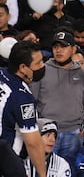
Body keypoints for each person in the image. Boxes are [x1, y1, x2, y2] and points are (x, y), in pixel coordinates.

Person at [30, 30, 84, 174]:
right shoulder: (41, 71)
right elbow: (31, 102)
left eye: (63, 46)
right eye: (55, 47)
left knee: (71, 172)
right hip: (46, 133)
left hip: (73, 133)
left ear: (73, 49)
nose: (58, 50)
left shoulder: (83, 74)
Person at [0, 41, 46, 177]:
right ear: (22, 67)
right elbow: (33, 143)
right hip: (7, 165)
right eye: (38, 63)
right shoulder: (22, 98)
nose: (42, 66)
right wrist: (43, 174)